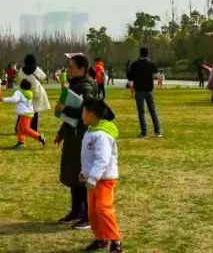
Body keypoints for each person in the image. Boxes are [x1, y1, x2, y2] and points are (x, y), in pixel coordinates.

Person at [56, 53, 112, 230]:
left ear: (82, 69)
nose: (68, 70)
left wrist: (66, 109)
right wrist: (62, 132)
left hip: (83, 136)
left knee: (83, 173)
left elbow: (86, 112)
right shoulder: (76, 85)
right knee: (74, 174)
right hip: (73, 135)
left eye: (71, 67)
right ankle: (76, 211)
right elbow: (72, 114)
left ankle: (88, 215)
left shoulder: (86, 87)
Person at [80, 97, 123, 253]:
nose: (82, 115)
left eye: (83, 112)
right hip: (91, 180)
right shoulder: (91, 132)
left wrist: (93, 177)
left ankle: (115, 241)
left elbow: (102, 159)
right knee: (93, 211)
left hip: (103, 180)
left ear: (91, 114)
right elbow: (89, 157)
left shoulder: (102, 135)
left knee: (104, 209)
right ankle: (101, 238)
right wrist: (84, 173)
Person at [127, 46, 162, 138]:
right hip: (148, 90)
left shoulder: (135, 64)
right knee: (152, 111)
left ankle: (143, 132)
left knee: (141, 112)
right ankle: (157, 131)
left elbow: (130, 77)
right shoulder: (151, 64)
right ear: (147, 53)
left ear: (140, 53)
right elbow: (157, 72)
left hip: (138, 90)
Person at [3, 78, 46, 148]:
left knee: (25, 129)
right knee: (19, 128)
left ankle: (40, 137)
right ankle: (21, 142)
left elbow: (14, 100)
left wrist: (4, 99)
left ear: (21, 85)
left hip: (25, 114)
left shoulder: (19, 92)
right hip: (30, 113)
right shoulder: (29, 92)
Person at [17, 53, 50, 132]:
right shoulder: (36, 69)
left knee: (23, 110)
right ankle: (33, 129)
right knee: (35, 111)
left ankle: (19, 128)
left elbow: (19, 79)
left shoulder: (21, 70)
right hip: (36, 92)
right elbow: (44, 77)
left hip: (26, 91)